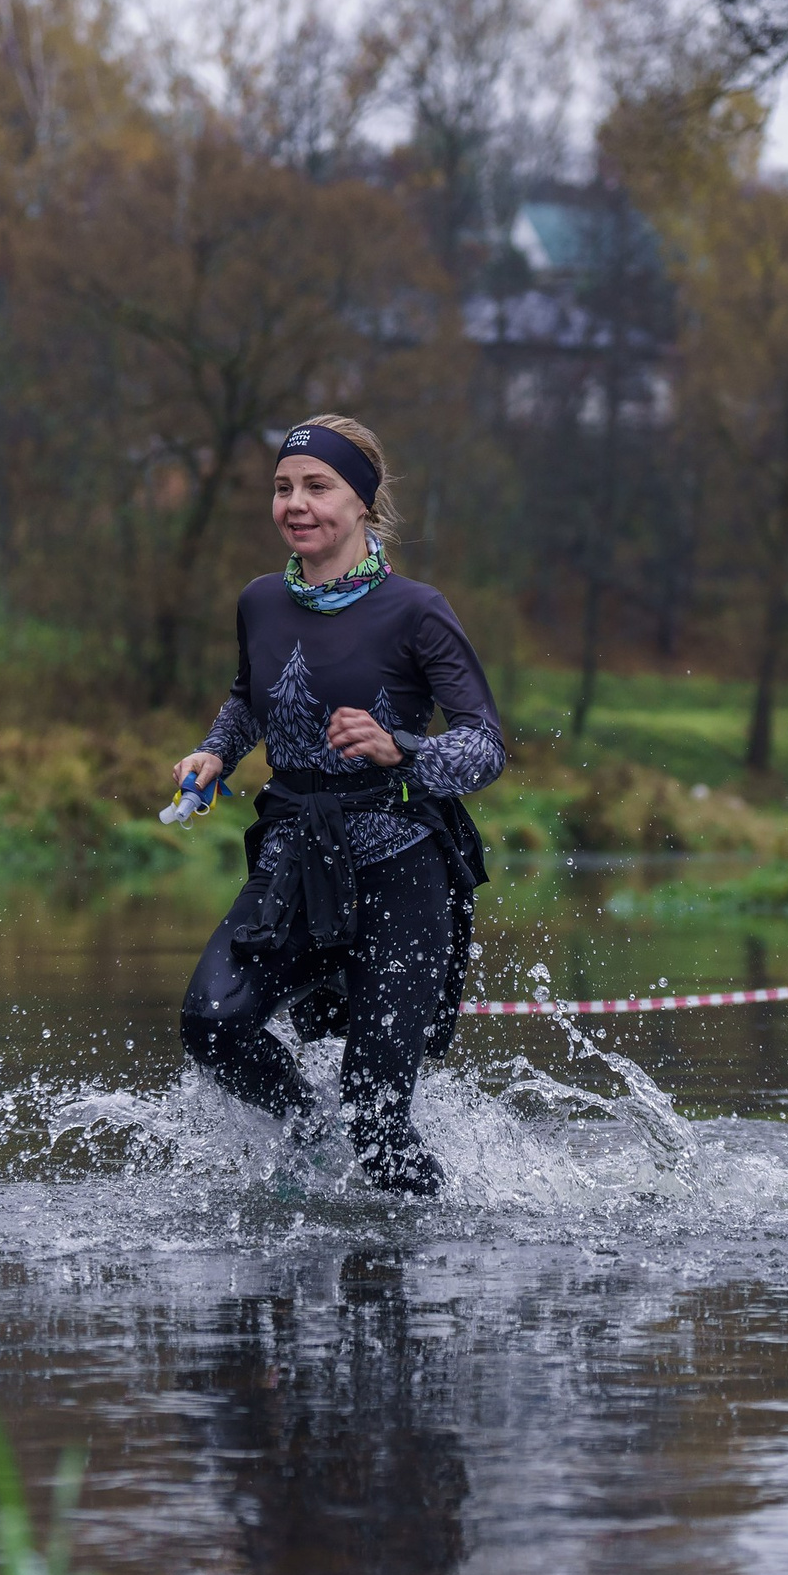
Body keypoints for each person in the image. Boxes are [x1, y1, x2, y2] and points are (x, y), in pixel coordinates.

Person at [172, 415, 502, 1195]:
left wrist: (404, 750)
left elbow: (485, 747)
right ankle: (309, 1139)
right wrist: (217, 750)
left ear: (363, 501)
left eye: (318, 486)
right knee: (212, 1023)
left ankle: (437, 1256)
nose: (297, 503)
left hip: (402, 873)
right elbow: (249, 697)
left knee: (378, 1120)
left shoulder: (418, 610)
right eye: (284, 488)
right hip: (294, 863)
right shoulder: (259, 601)